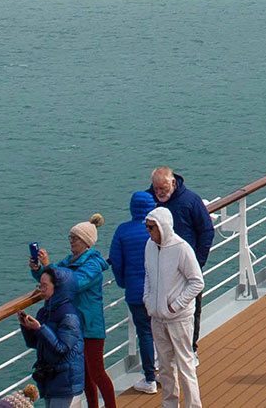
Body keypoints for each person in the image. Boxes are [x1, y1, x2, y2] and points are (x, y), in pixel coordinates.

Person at [38, 215, 113, 408]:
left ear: (86, 243)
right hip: (75, 326)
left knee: (97, 371)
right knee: (85, 374)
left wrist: (48, 266)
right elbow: (52, 278)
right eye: (70, 237)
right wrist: (38, 270)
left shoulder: (92, 265)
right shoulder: (69, 260)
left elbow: (73, 283)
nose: (71, 241)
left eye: (75, 238)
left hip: (90, 326)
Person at [144, 206, 205, 408]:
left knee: (185, 364)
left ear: (163, 227)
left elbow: (197, 281)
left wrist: (176, 306)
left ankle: (193, 405)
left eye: (151, 227)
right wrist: (148, 299)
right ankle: (170, 405)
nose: (148, 231)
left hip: (178, 318)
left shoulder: (182, 248)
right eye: (147, 227)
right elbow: (148, 275)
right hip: (157, 317)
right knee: (165, 368)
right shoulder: (149, 246)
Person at [144, 168, 214, 343]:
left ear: (173, 183)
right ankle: (161, 353)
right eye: (156, 188)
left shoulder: (191, 200)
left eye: (163, 188)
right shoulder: (148, 199)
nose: (159, 193)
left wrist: (197, 262)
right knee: (159, 311)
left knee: (191, 307)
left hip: (185, 265)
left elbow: (206, 231)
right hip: (160, 265)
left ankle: (192, 347)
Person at [110, 192, 161, 394]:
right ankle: (166, 373)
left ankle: (150, 378)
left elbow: (116, 260)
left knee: (145, 334)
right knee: (164, 332)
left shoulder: (123, 231)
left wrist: (124, 282)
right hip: (159, 290)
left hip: (135, 291)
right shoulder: (157, 230)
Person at [22, 266, 86, 408]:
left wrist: (40, 329)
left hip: (65, 379)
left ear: (58, 288)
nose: (41, 290)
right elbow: (35, 343)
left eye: (45, 286)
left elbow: (62, 348)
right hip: (51, 378)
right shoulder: (44, 312)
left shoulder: (69, 315)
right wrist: (27, 328)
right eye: (39, 285)